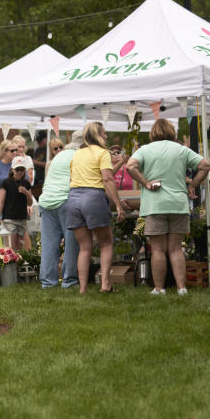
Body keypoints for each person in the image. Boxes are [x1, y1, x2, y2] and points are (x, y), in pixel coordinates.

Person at [126, 118, 210, 295]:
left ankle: (159, 288)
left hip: (155, 205)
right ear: (172, 132)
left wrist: (146, 182)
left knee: (157, 249)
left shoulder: (145, 150)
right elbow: (205, 165)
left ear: (152, 133)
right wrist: (193, 184)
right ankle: (182, 288)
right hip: (178, 204)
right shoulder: (181, 149)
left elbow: (131, 166)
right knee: (175, 248)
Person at [65, 121, 126, 294]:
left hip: (74, 198)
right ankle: (105, 284)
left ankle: (83, 289)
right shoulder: (102, 153)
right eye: (104, 133)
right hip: (93, 197)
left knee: (85, 247)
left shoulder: (76, 154)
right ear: (98, 135)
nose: (106, 136)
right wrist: (118, 205)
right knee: (106, 242)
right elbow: (107, 179)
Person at [38, 131, 80, 289]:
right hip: (64, 200)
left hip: (47, 200)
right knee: (71, 243)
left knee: (49, 245)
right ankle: (69, 281)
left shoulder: (59, 156)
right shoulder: (79, 156)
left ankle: (48, 283)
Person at [0, 156, 34, 251]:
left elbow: (30, 203)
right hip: (9, 218)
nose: (20, 172)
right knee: (12, 247)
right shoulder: (6, 182)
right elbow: (1, 201)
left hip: (22, 219)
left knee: (20, 248)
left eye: (22, 170)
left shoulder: (26, 183)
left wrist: (26, 193)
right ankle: (12, 265)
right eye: (18, 170)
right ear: (12, 170)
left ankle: (17, 265)